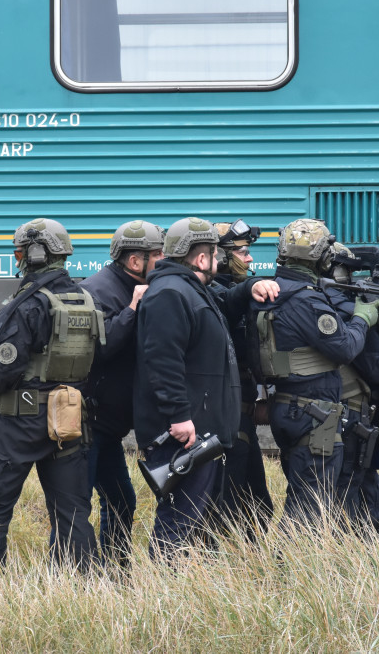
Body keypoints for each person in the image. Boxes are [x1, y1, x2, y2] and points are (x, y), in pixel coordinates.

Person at [0, 218, 101, 579]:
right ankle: (79, 588)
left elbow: (5, 369)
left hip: (22, 420)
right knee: (71, 510)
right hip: (67, 418)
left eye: (20, 251)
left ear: (36, 253)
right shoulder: (84, 299)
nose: (18, 257)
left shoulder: (28, 304)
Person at [134, 217, 279, 560]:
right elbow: (162, 361)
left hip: (200, 428)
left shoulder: (191, 289)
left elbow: (225, 303)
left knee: (194, 517)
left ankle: (181, 592)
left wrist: (248, 288)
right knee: (179, 518)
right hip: (184, 433)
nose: (219, 262)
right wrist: (179, 417)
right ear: (201, 259)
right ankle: (164, 596)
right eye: (215, 256)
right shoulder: (171, 293)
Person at [248, 218, 379, 528]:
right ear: (323, 258)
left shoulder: (268, 292)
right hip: (312, 414)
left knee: (305, 496)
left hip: (288, 405)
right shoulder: (308, 301)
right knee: (311, 505)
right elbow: (346, 348)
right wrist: (363, 318)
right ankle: (290, 572)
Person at [80, 220, 164, 568]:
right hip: (86, 424)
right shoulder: (96, 291)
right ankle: (73, 578)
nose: (165, 261)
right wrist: (132, 310)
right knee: (74, 505)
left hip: (108, 427)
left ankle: (115, 571)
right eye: (159, 255)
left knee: (121, 500)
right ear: (135, 261)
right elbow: (100, 348)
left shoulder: (136, 284)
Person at [208, 219, 274, 539]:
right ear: (219, 256)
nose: (249, 259)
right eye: (242, 252)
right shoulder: (211, 295)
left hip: (243, 414)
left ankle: (253, 564)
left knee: (258, 504)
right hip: (228, 419)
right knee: (231, 503)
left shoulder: (229, 292)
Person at [324, 244, 379, 538]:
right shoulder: (341, 308)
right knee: (352, 493)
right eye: (349, 271)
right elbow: (377, 368)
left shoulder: (312, 301)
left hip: (334, 413)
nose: (353, 278)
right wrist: (369, 323)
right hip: (347, 412)